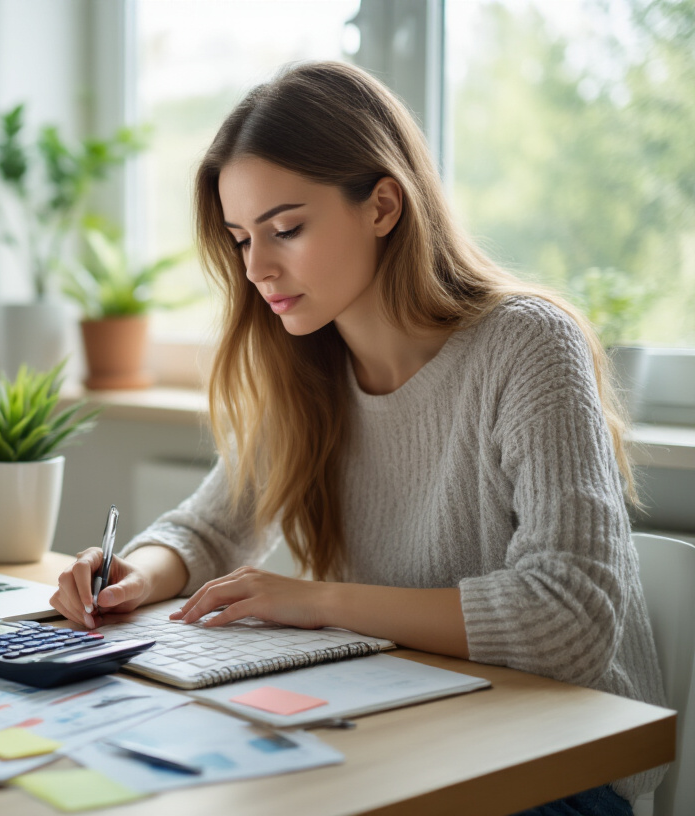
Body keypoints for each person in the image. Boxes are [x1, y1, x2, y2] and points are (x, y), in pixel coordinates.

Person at [49, 61, 665, 815]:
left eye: (286, 229)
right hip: (403, 729)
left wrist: (317, 602)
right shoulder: (306, 362)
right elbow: (211, 527)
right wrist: (134, 574)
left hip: (554, 768)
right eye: (241, 239)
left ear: (382, 205)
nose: (258, 269)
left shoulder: (528, 345)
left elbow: (570, 619)